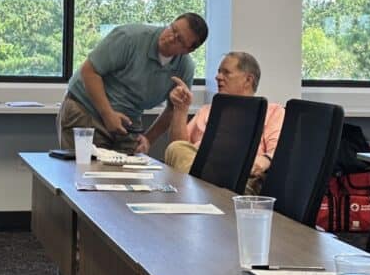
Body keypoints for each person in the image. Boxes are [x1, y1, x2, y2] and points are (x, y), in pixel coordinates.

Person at [58, 13, 207, 154]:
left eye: (179, 39)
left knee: (130, 174)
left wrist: (149, 139)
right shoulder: (130, 37)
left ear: (188, 50)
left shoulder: (185, 68)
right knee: (87, 173)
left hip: (127, 122)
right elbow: (89, 71)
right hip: (87, 109)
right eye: (172, 29)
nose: (170, 38)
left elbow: (172, 109)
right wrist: (107, 114)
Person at [164, 52, 284, 194]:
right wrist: (181, 109)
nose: (218, 77)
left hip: (241, 178)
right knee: (176, 148)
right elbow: (178, 149)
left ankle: (203, 190)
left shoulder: (272, 111)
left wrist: (264, 160)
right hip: (202, 169)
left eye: (226, 72)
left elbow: (278, 151)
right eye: (219, 72)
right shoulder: (207, 110)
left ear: (248, 80)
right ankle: (207, 190)